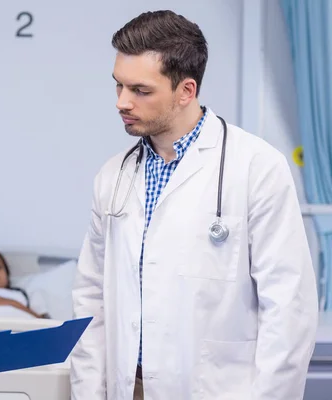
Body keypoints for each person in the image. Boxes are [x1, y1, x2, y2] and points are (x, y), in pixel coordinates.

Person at [69, 10, 319, 400]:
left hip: (218, 389)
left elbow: (289, 309)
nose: (122, 102)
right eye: (118, 86)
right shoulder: (113, 177)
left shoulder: (256, 167)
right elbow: (91, 299)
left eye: (140, 90)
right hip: (128, 388)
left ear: (186, 90)